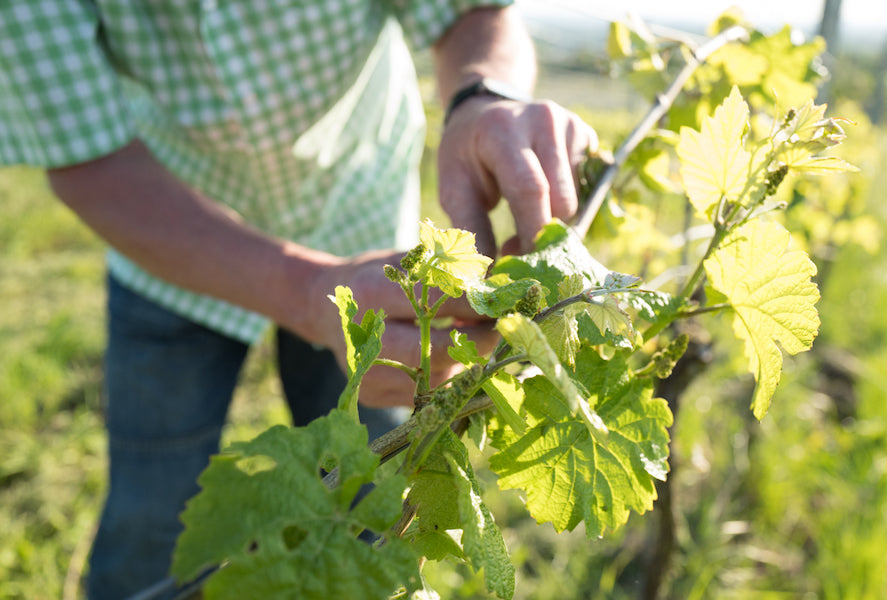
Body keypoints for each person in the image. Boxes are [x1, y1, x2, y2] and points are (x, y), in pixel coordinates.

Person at [0, 1, 598, 598]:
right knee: (149, 526)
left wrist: (481, 97)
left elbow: (470, 13)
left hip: (363, 234)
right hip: (170, 242)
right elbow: (85, 159)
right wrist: (303, 290)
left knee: (367, 507)